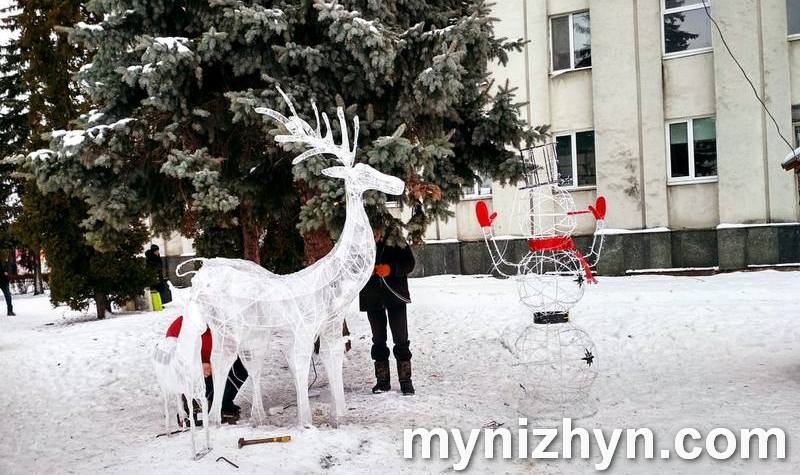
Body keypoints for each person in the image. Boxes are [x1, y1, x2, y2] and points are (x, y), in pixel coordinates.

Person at [359, 228, 416, 395]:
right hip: (372, 296)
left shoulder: (395, 238)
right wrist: (365, 271)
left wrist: (391, 269)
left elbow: (409, 263)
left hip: (395, 295)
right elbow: (354, 265)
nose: (376, 235)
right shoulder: (362, 240)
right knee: (378, 339)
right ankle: (382, 381)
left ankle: (406, 381)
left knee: (401, 338)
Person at [165, 316, 248, 423]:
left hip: (218, 367)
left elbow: (236, 347)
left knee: (244, 361)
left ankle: (222, 403)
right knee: (188, 375)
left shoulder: (225, 324)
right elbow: (170, 355)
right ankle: (192, 404)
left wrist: (219, 363)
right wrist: (197, 365)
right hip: (192, 371)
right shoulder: (181, 324)